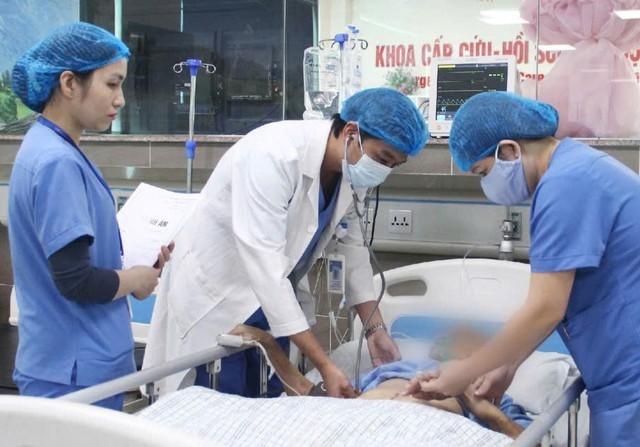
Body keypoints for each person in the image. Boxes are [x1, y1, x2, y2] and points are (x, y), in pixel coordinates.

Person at [143, 87, 429, 398]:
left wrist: (375, 330)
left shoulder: (350, 171)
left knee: (266, 399)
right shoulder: (271, 156)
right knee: (218, 402)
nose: (384, 171)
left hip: (270, 306)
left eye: (394, 165)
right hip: (217, 299)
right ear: (351, 133)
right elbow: (265, 266)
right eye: (383, 158)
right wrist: (324, 364)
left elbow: (354, 252)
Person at [401, 91, 640, 445]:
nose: (485, 185)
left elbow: (545, 307)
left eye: (483, 172)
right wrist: (507, 365)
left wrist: (465, 371)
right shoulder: (577, 169)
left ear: (510, 151)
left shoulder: (564, 186)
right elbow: (559, 301)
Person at [8, 22, 172, 411]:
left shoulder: (48, 147)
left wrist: (142, 268)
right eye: (112, 84)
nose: (121, 100)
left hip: (71, 364)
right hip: (73, 373)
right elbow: (76, 280)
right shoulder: (57, 162)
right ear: (69, 83)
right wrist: (135, 279)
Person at [228, 324, 532, 440]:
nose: (453, 340)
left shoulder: (493, 395)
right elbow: (313, 398)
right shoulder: (391, 371)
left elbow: (533, 442)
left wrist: (486, 412)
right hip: (347, 425)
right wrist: (269, 344)